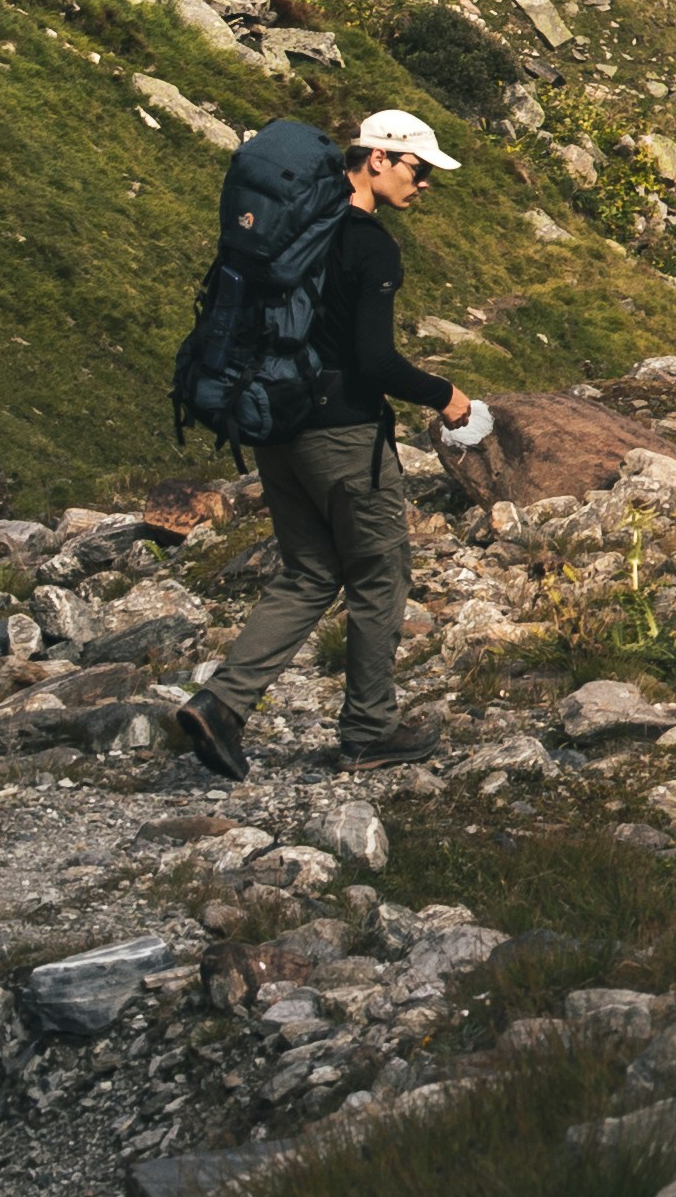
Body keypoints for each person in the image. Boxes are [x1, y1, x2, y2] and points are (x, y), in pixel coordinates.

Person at [174, 110, 478, 779]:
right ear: (377, 159)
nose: (424, 185)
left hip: (274, 427)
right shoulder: (370, 247)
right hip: (342, 436)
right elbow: (373, 362)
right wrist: (444, 395)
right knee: (379, 575)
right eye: (418, 170)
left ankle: (221, 705)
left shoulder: (290, 232)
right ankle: (369, 731)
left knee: (310, 572)